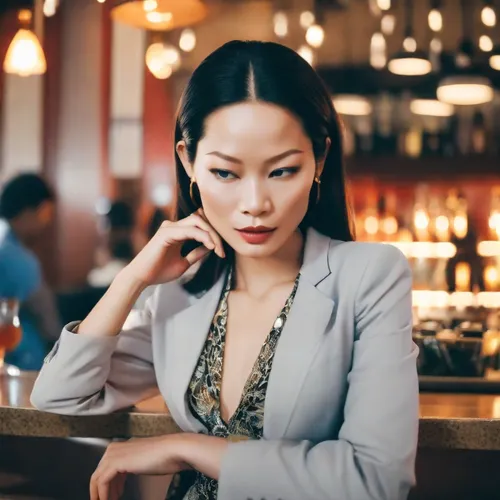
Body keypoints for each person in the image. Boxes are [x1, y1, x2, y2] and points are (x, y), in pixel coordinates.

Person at [31, 40, 419, 500]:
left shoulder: (370, 277)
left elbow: (375, 479)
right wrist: (132, 277)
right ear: (187, 161)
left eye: (281, 171)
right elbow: (59, 396)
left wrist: (187, 449)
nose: (254, 205)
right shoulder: (178, 295)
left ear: (319, 160)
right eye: (226, 174)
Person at [0, 173, 61, 370]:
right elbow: (47, 321)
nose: (47, 223)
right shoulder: (18, 259)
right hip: (21, 364)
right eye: (46, 213)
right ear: (29, 211)